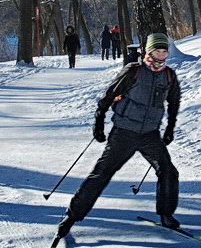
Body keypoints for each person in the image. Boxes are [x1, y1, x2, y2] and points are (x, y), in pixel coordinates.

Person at [57, 32, 180, 236]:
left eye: (165, 51)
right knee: (102, 174)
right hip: (124, 132)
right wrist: (99, 121)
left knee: (168, 171)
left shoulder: (168, 76)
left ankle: (166, 215)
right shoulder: (134, 71)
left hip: (149, 135)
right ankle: (72, 216)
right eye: (158, 50)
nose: (161, 55)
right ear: (149, 51)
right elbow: (109, 95)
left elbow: (174, 102)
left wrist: (169, 128)